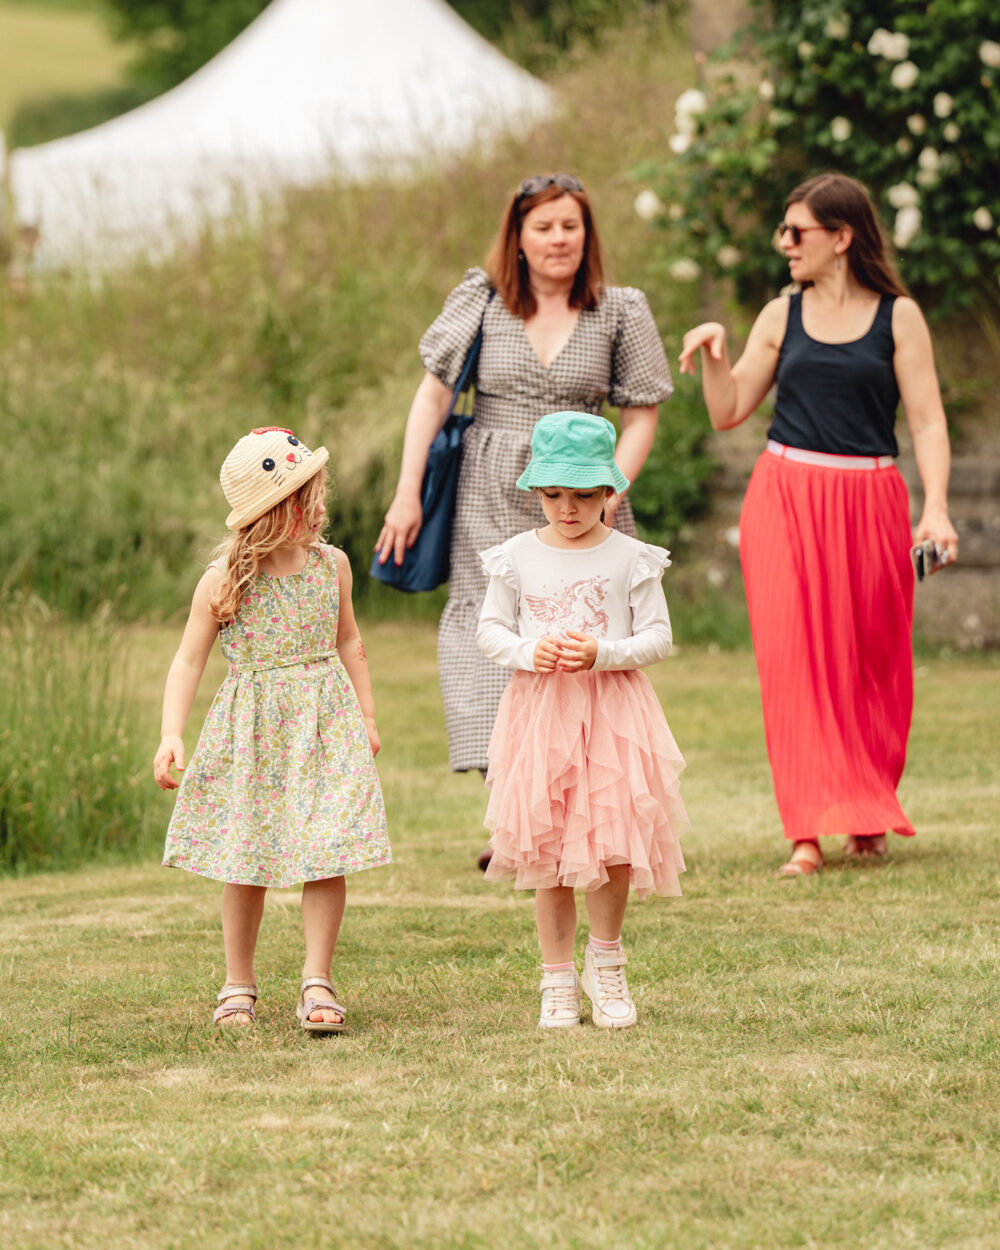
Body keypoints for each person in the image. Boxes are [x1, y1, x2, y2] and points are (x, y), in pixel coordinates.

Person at [374, 173, 673, 867]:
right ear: (519, 236)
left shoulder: (620, 310)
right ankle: (514, 815)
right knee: (492, 629)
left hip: (585, 496)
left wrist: (611, 488)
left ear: (586, 234)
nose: (558, 239)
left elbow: (642, 413)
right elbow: (431, 399)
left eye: (570, 225)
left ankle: (586, 811)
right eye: (543, 227)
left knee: (585, 635)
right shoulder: (481, 301)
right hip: (489, 489)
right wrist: (406, 491)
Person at [679, 171, 958, 878]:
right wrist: (715, 354)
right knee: (794, 665)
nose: (784, 244)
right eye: (783, 230)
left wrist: (936, 508)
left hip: (871, 500)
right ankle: (805, 829)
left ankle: (866, 812)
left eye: (796, 231)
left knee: (873, 663)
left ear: (842, 237)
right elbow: (729, 408)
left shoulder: (900, 317)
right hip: (786, 498)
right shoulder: (781, 314)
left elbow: (926, 420)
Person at [154, 427, 391, 1032]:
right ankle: (238, 982)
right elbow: (188, 661)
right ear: (265, 515)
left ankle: (318, 980)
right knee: (246, 856)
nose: (318, 511)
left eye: (316, 496)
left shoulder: (331, 566)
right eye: (301, 502)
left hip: (324, 725)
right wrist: (171, 732)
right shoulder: (225, 580)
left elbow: (350, 641)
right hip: (253, 732)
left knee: (327, 848)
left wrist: (365, 715)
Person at [475, 411, 688, 1029]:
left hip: (614, 712)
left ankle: (608, 961)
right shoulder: (516, 556)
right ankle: (557, 978)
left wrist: (604, 652)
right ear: (536, 491)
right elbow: (490, 630)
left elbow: (657, 637)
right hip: (542, 714)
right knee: (548, 847)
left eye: (583, 495)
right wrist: (526, 652)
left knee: (611, 840)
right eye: (554, 495)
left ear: (608, 492)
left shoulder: (631, 557)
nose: (567, 509)